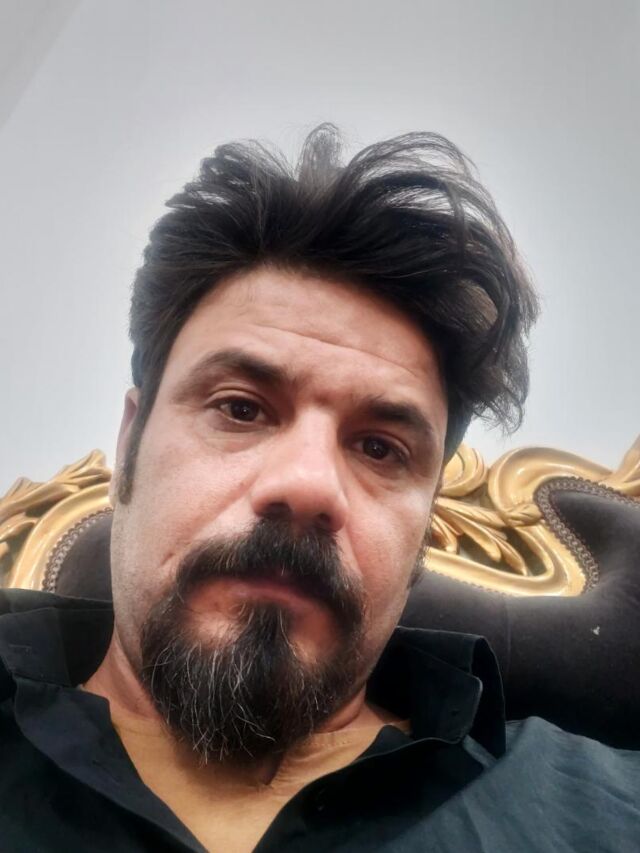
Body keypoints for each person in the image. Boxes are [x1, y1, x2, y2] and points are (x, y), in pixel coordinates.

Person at [0, 125, 638, 853]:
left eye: (379, 448)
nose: (308, 486)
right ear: (129, 443)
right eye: (241, 408)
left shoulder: (605, 814)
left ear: (426, 523)